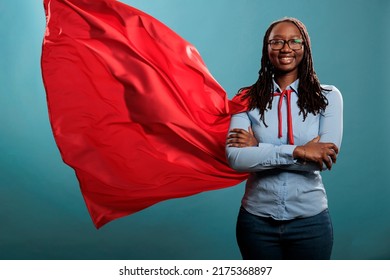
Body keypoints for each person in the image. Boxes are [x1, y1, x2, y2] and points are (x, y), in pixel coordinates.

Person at [226, 17, 343, 260]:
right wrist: (299, 151)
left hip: (311, 223)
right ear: (266, 48)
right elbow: (236, 158)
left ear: (305, 47)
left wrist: (258, 148)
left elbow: (322, 159)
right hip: (256, 222)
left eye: (294, 41)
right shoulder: (245, 98)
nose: (286, 48)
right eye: (277, 42)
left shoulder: (329, 98)